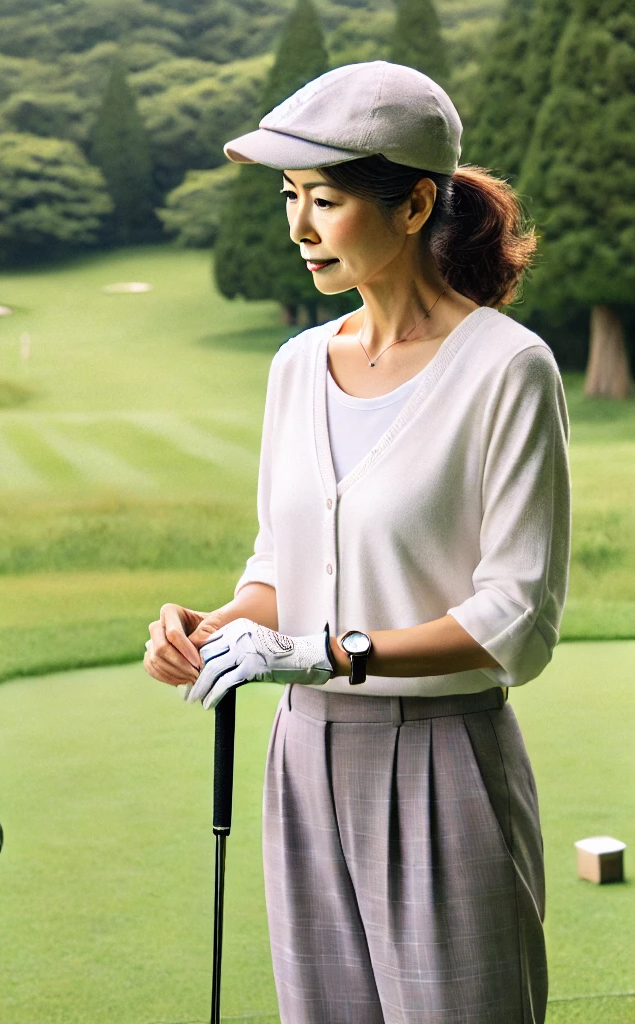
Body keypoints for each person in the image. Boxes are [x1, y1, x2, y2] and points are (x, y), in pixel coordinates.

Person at [144, 61, 570, 1024]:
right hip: (303, 758)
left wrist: (332, 652)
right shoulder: (295, 367)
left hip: (443, 762)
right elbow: (278, 573)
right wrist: (213, 629)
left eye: (325, 200)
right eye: (290, 197)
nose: (297, 228)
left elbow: (517, 620)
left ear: (416, 204)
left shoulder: (508, 370)